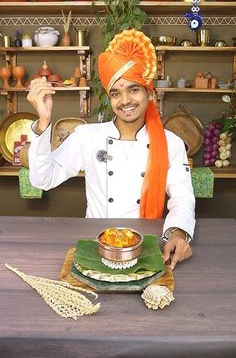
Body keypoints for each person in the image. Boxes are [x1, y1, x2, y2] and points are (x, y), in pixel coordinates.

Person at [27, 28, 195, 269]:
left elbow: (182, 198)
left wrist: (178, 234)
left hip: (146, 247)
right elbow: (42, 180)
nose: (125, 100)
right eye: (116, 93)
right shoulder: (87, 136)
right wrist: (43, 122)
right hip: (97, 246)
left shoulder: (171, 143)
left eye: (133, 89)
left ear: (150, 94)